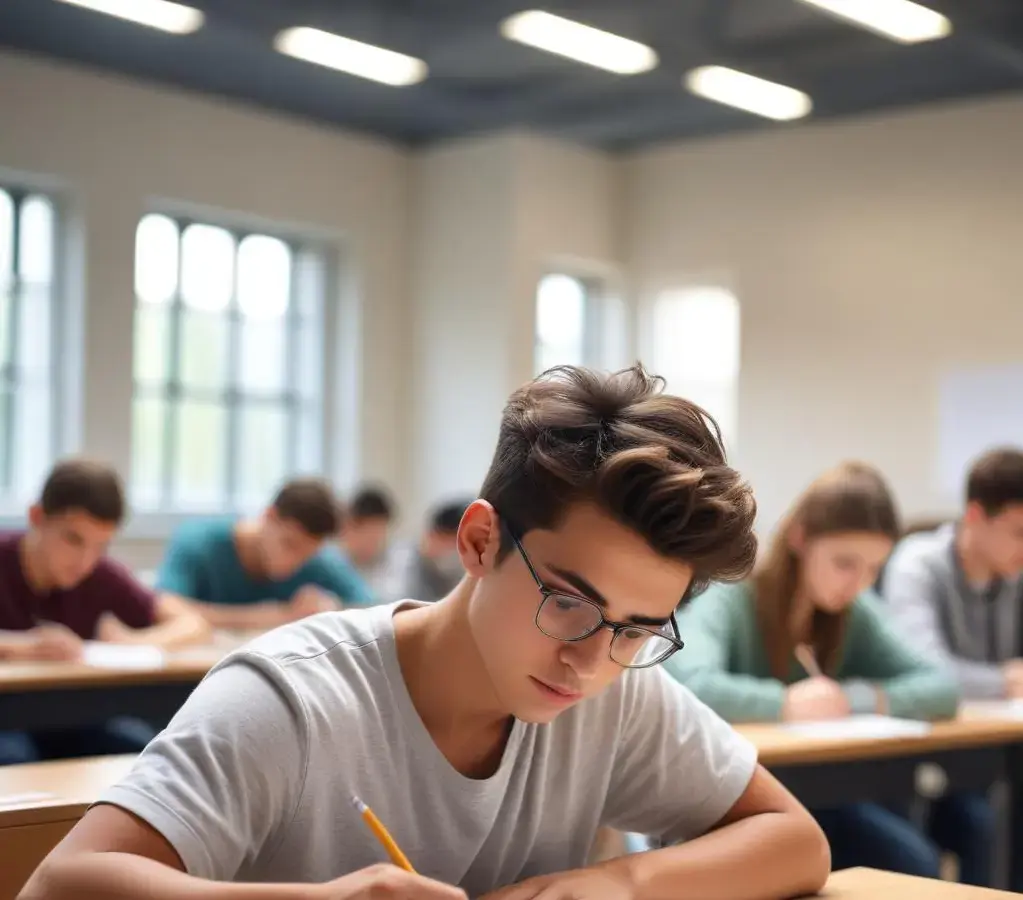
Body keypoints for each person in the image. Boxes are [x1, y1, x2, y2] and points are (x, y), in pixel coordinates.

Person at [20, 365, 830, 900]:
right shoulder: (290, 699)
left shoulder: (617, 690)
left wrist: (619, 884)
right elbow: (61, 884)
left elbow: (795, 841)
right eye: (570, 603)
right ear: (478, 543)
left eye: (636, 630)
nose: (589, 662)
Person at [668, 462, 987, 883]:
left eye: (874, 569)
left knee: (917, 863)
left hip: (822, 797)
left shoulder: (855, 611)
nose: (857, 582)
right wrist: (785, 703)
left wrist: (852, 698)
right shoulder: (732, 595)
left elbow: (941, 686)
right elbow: (689, 684)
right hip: (735, 803)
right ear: (800, 538)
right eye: (844, 563)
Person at [0, 459, 209, 763]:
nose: (85, 560)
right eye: (73, 539)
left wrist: (132, 644)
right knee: (16, 760)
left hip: (67, 715)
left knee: (152, 753)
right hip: (7, 715)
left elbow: (193, 623)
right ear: (37, 517)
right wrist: (23, 647)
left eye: (101, 546)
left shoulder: (101, 574)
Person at [883, 446, 1023, 888]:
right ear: (976, 515)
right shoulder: (917, 563)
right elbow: (930, 673)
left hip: (993, 753)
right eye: (1019, 532)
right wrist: (1005, 679)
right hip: (922, 762)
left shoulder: (1014, 574)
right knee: (985, 823)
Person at [156, 477, 375, 631]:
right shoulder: (198, 541)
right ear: (268, 516)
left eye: (307, 555)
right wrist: (264, 617)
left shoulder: (317, 560)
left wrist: (330, 608)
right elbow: (162, 606)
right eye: (288, 544)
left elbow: (373, 611)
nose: (293, 562)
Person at [339, 486, 398, 598]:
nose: (374, 546)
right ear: (348, 528)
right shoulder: (331, 565)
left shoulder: (394, 564)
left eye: (378, 539)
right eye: (369, 538)